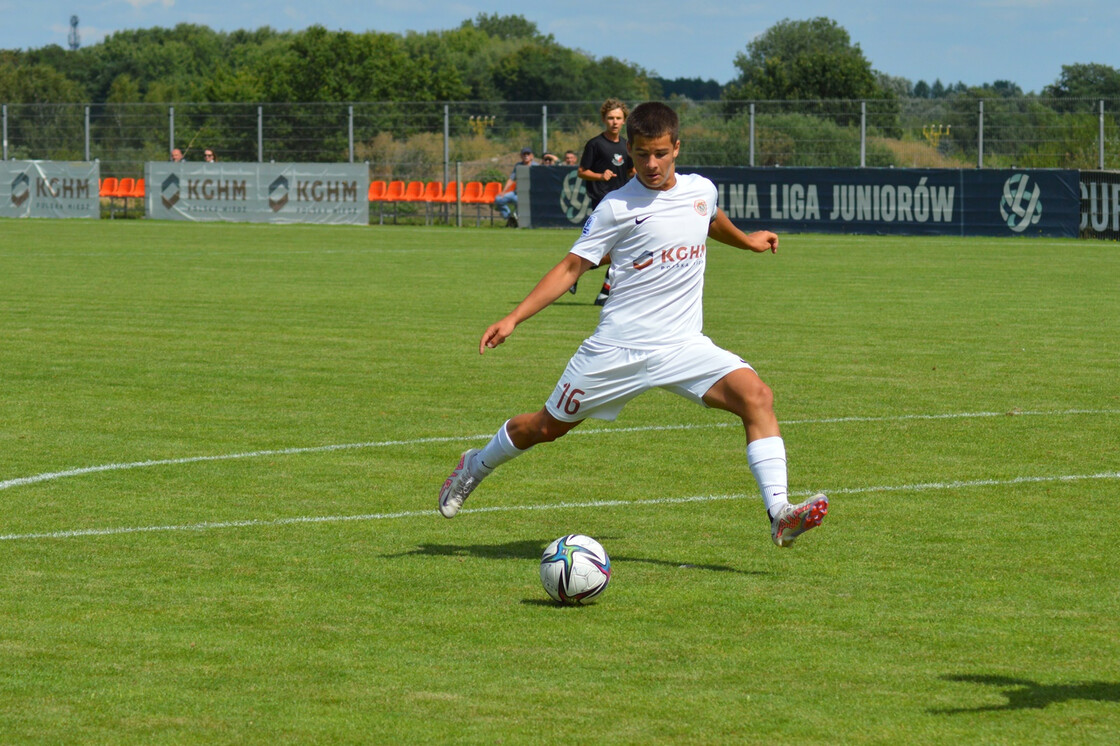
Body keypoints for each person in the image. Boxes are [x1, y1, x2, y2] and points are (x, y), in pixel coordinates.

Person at [439, 101, 829, 550]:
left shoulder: (701, 189)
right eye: (642, 154)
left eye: (661, 153)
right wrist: (512, 318)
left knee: (757, 396)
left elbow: (708, 218)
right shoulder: (615, 206)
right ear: (630, 149)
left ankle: (780, 513)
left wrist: (748, 242)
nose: (652, 164)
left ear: (677, 148)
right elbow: (571, 268)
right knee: (544, 428)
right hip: (616, 351)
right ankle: (476, 464)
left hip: (683, 345)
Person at [574, 98, 634, 304]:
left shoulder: (628, 145)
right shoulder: (595, 144)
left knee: (624, 248)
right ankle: (576, 273)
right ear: (603, 119)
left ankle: (603, 292)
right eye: (610, 118)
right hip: (602, 203)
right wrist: (600, 176)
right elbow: (582, 172)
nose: (614, 122)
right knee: (605, 250)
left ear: (624, 120)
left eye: (618, 118)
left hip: (624, 203)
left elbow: (630, 171)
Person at [494, 147, 537, 228]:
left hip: (528, 196)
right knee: (499, 199)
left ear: (532, 156)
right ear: (521, 156)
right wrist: (503, 191)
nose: (526, 156)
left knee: (521, 206)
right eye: (524, 154)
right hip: (516, 194)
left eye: (528, 154)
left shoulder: (536, 167)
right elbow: (511, 179)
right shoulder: (518, 166)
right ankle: (510, 218)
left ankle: (520, 223)